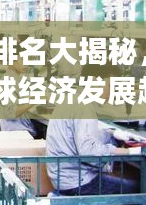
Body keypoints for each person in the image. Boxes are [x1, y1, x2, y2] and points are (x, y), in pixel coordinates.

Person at [46, 64, 136, 196]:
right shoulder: (84, 107)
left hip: (64, 177)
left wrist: (111, 134)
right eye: (110, 86)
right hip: (78, 182)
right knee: (136, 189)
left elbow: (84, 135)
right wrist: (129, 152)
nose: (112, 93)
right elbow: (88, 151)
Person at [0, 49, 38, 138]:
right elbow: (11, 113)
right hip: (17, 131)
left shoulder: (13, 78)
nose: (27, 63)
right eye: (23, 59)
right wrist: (35, 101)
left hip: (17, 129)